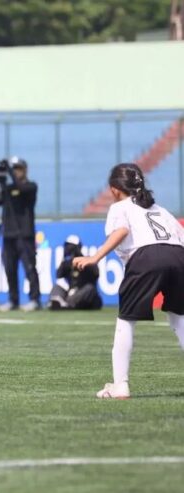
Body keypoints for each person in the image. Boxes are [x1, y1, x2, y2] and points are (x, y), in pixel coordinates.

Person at [74, 163, 184, 399]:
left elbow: (121, 231)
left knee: (126, 320)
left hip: (146, 257)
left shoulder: (119, 207)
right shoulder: (160, 209)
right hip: (178, 256)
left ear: (114, 190)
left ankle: (120, 385)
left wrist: (95, 257)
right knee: (180, 318)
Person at [0, 156, 41, 312]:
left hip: (24, 234)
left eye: (18, 168)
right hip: (8, 235)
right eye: (14, 168)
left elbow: (22, 188)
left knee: (29, 268)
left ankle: (34, 299)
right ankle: (13, 300)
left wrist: (10, 171)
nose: (16, 171)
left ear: (24, 169)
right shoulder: (8, 188)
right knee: (10, 269)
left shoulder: (31, 187)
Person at [48, 235, 102, 310]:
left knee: (90, 288)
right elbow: (58, 275)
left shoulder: (87, 261)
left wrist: (82, 260)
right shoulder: (67, 263)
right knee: (57, 286)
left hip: (85, 295)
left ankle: (68, 304)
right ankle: (57, 301)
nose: (67, 248)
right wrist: (65, 260)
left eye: (70, 246)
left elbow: (96, 274)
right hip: (71, 291)